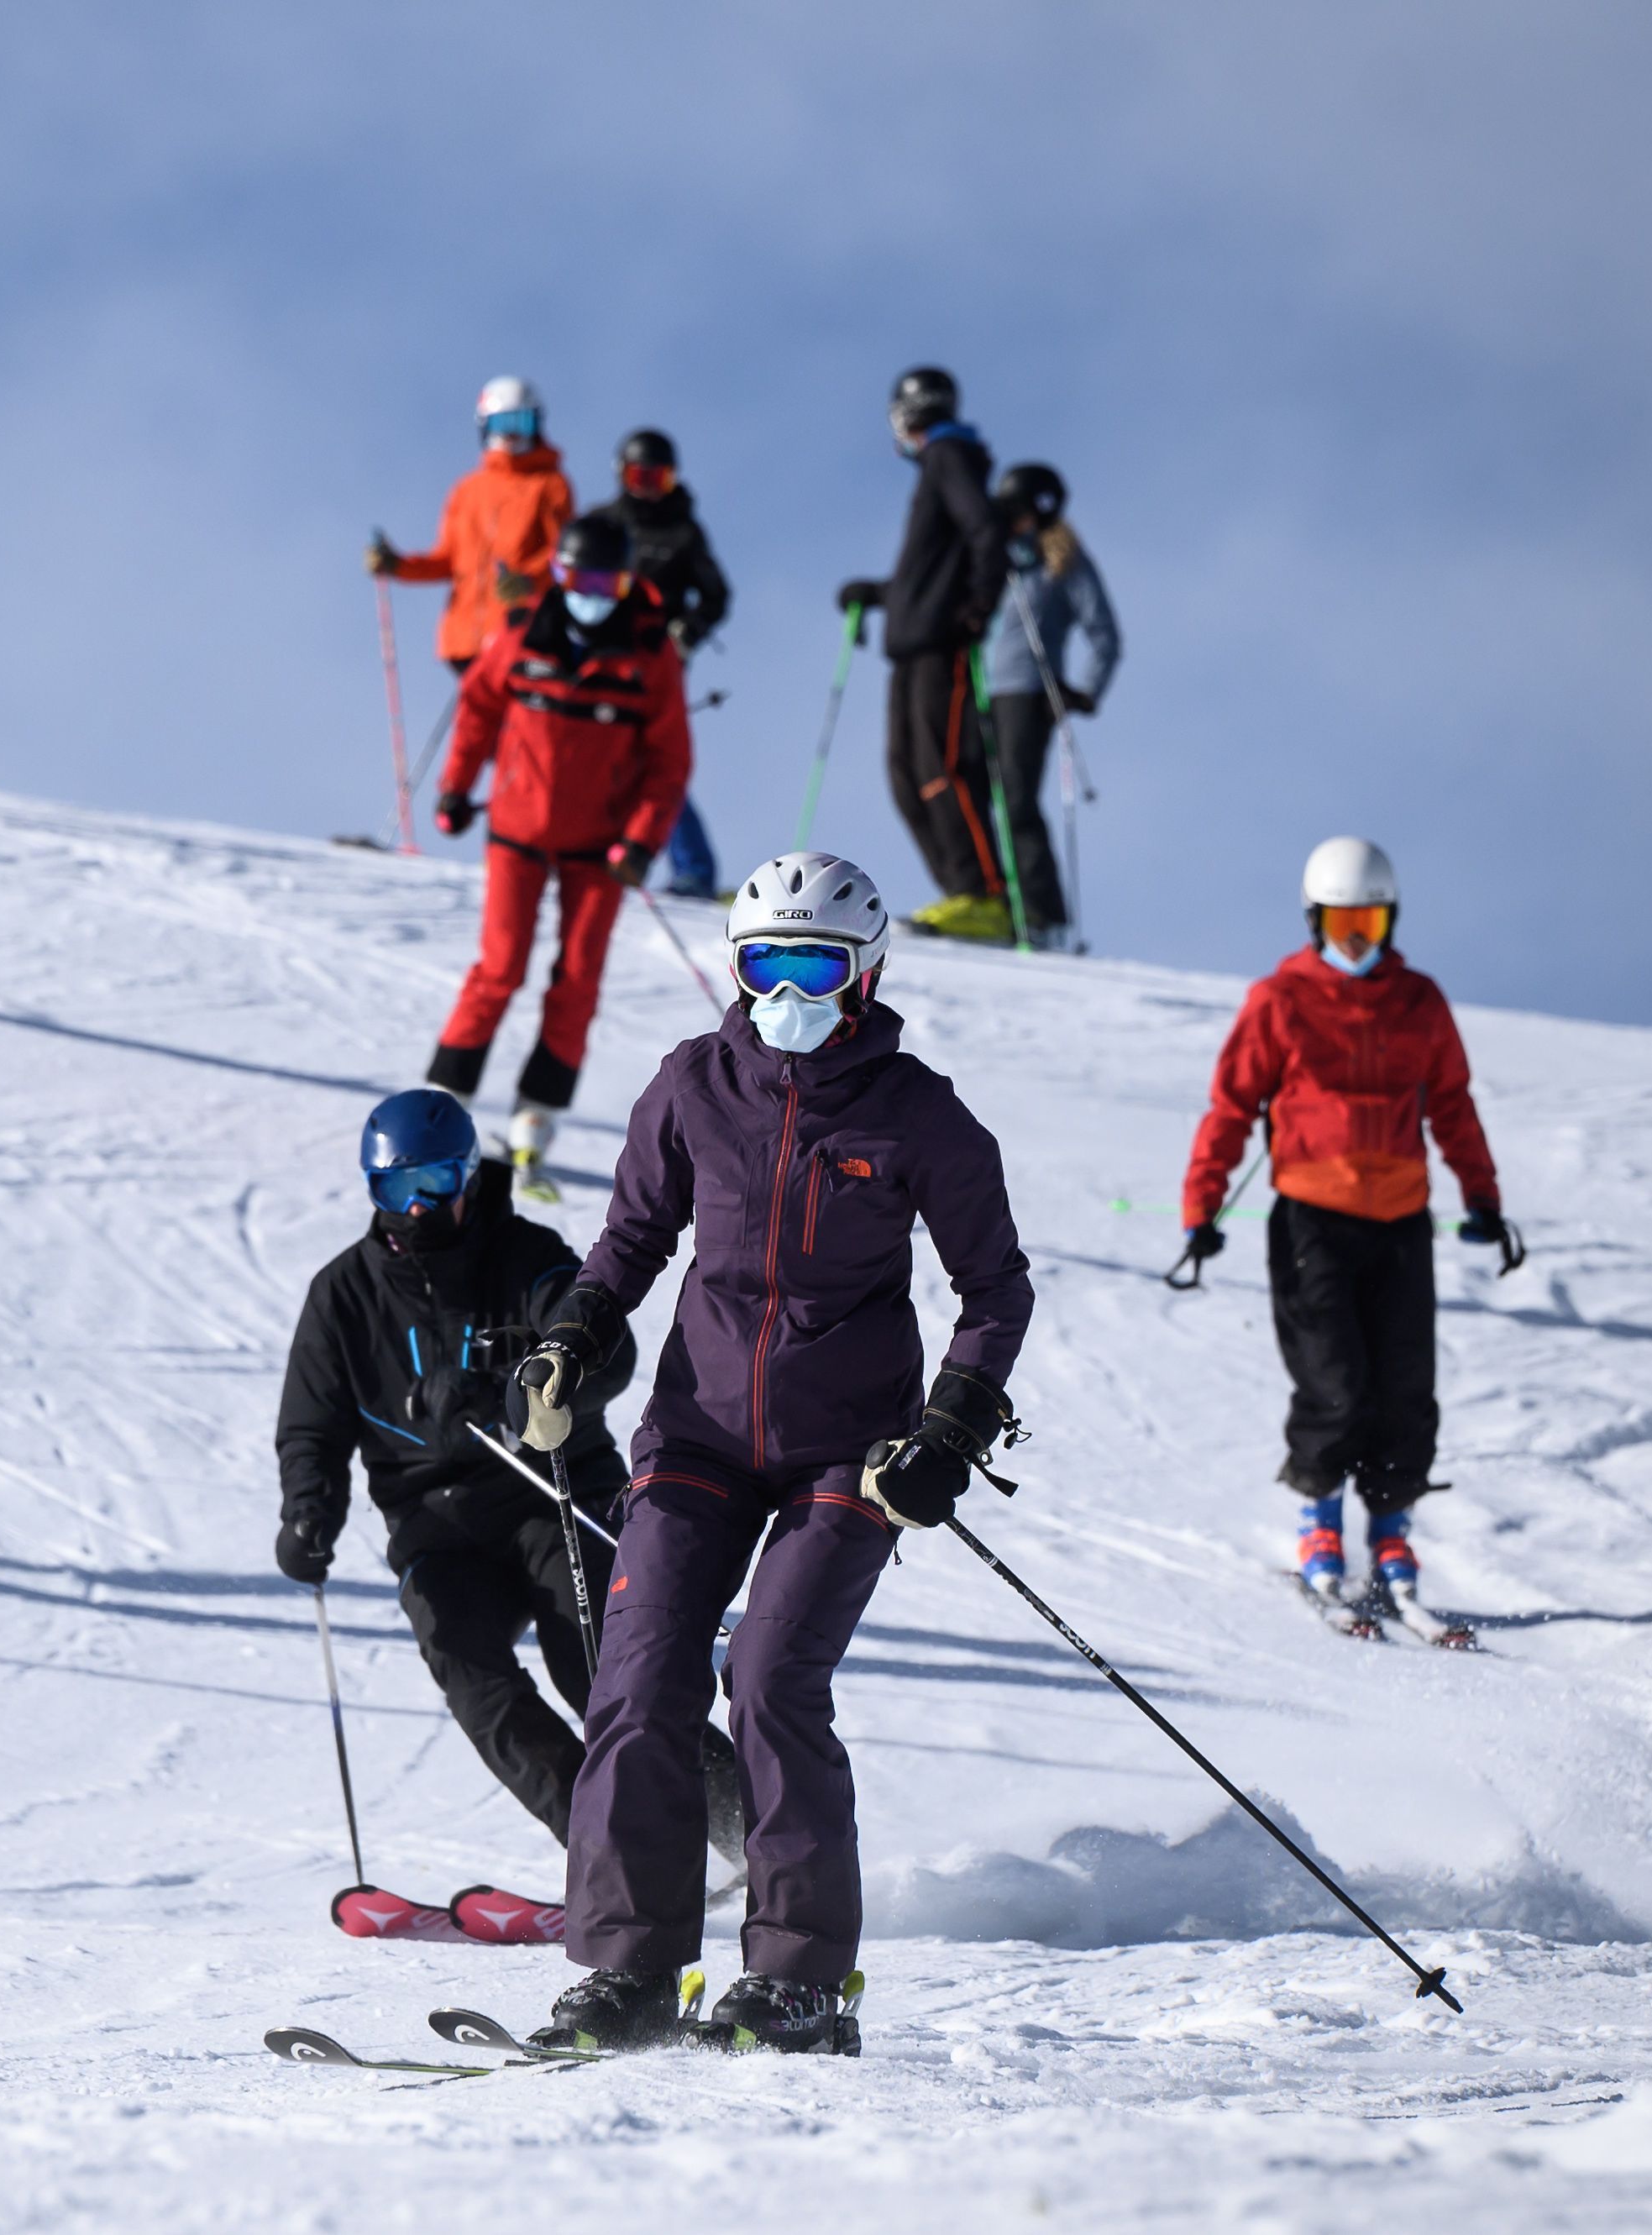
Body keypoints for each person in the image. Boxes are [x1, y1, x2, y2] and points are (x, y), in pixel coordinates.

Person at [514, 851, 1034, 2055]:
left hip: (847, 1456)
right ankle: (630, 1973)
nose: (787, 990)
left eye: (815, 965)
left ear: (865, 972)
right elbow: (629, 1241)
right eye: (764, 965)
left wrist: (946, 1430)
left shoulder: (917, 1112)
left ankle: (799, 1979)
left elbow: (995, 1291)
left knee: (771, 1678)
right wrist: (571, 1344)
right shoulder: (694, 1084)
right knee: (637, 1682)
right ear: (735, 972)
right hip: (695, 1431)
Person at [274, 1091, 746, 1853]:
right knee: (475, 1679)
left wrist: (513, 1395)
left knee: (601, 1675)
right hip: (436, 1522)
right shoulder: (343, 1295)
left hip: (549, 1493)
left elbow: (606, 1349)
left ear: (467, 1174)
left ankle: (755, 1838)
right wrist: (309, 1508)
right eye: (395, 1189)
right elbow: (311, 1423)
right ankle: (613, 1856)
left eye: (432, 1183)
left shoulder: (524, 1252)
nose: (417, 1208)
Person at [1179, 839, 1512, 1626]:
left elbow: (1453, 1103)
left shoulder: (1419, 1000)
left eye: (1368, 920)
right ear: (1314, 918)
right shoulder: (1281, 998)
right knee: (1333, 1377)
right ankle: (1319, 1524)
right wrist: (1202, 1207)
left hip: (1400, 1219)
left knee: (1404, 1384)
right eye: (1340, 921)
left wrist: (1483, 1196)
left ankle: (1392, 1535)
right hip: (1312, 1219)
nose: (1355, 938)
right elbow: (1231, 1107)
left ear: (1389, 918)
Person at [426, 515, 693, 1188]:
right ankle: (445, 1096)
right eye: (578, 579)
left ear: (628, 583)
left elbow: (669, 761)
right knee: (500, 964)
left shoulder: (648, 653)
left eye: (607, 581)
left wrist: (641, 839)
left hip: (599, 847)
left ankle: (536, 1112)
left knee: (577, 979)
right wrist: (456, 788)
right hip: (517, 828)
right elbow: (479, 708)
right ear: (560, 576)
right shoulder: (523, 632)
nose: (591, 593)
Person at [835, 368, 1010, 944]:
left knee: (941, 766)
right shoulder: (943, 463)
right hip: (915, 643)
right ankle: (964, 894)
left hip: (940, 643)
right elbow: (929, 574)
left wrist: (979, 606)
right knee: (907, 775)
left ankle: (985, 898)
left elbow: (986, 533)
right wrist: (880, 595)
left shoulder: (949, 456)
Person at [583, 428, 733, 899]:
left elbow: (716, 594)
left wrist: (687, 630)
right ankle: (584, 855)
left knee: (655, 758)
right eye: (638, 475)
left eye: (658, 477)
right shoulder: (603, 523)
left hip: (657, 662)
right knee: (587, 751)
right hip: (599, 657)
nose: (647, 486)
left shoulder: (683, 530)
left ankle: (695, 871)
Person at [975, 463, 1119, 945]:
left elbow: (1104, 633)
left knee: (1016, 800)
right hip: (980, 689)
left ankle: (1042, 914)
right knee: (975, 795)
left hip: (1027, 692)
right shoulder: (1000, 560)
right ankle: (991, 902)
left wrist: (1084, 691)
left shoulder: (1062, 560)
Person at [370, 377, 574, 678]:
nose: (513, 434)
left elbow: (563, 556)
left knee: (519, 720)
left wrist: (528, 580)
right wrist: (398, 565)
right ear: (485, 427)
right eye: (502, 423)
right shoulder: (468, 491)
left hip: (521, 632)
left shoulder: (550, 485)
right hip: (464, 641)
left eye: (521, 422)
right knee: (477, 719)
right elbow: (448, 559)